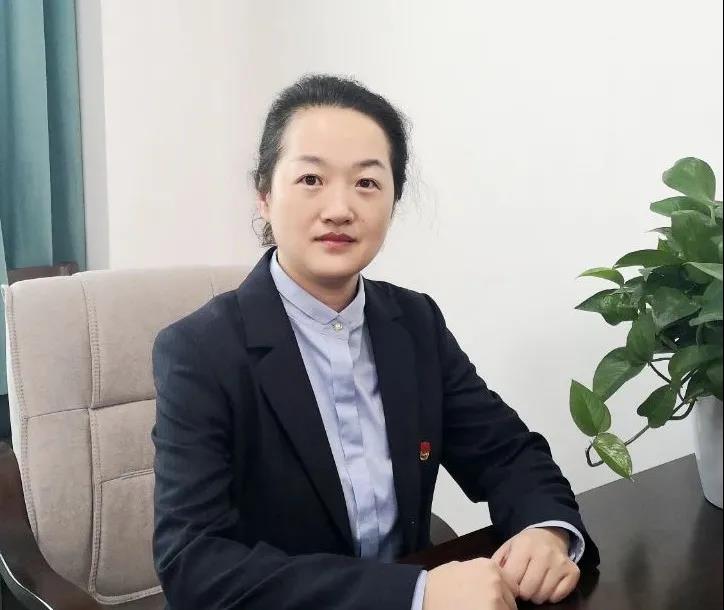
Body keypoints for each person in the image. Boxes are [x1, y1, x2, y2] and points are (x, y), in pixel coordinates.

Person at [152, 74, 600, 610]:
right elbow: (196, 565)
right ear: (265, 196)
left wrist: (545, 531)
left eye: (367, 182)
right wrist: (415, 593)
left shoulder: (414, 323)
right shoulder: (199, 352)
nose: (340, 208)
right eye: (311, 179)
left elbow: (507, 453)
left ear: (393, 200)